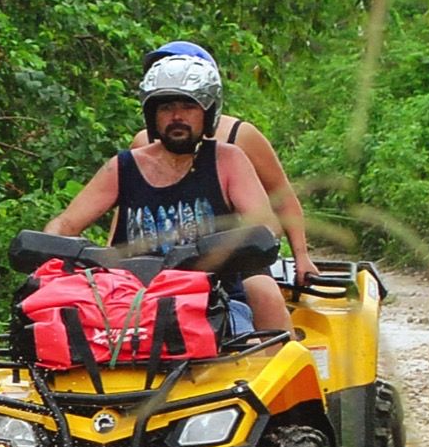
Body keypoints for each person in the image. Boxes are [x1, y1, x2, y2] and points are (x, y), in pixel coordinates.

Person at [41, 51, 294, 334]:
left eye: (188, 107)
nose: (177, 117)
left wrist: (228, 245)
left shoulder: (228, 160)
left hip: (214, 300)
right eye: (166, 108)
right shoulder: (124, 167)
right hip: (131, 305)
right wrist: (51, 245)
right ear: (152, 116)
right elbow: (65, 223)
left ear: (207, 113)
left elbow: (267, 225)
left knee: (256, 319)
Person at [130, 41, 319, 283]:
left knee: (261, 290)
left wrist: (301, 257)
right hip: (158, 263)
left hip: (235, 260)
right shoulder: (143, 143)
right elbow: (129, 210)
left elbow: (283, 199)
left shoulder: (241, 137)